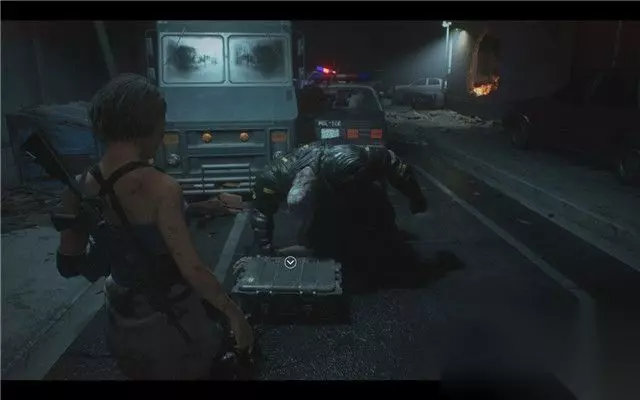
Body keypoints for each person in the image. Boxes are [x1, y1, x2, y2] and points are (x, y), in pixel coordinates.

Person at [56, 73, 253, 380]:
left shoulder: (80, 185)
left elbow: (68, 265)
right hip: (172, 325)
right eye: (161, 123)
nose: (163, 134)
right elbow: (193, 270)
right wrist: (234, 314)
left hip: (121, 321)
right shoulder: (162, 187)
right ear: (144, 125)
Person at [249, 141, 429, 289]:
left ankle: (380, 252)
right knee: (317, 234)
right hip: (320, 193)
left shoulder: (341, 159)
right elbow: (260, 213)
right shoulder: (272, 179)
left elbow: (392, 162)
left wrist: (415, 197)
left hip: (342, 183)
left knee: (372, 205)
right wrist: (266, 249)